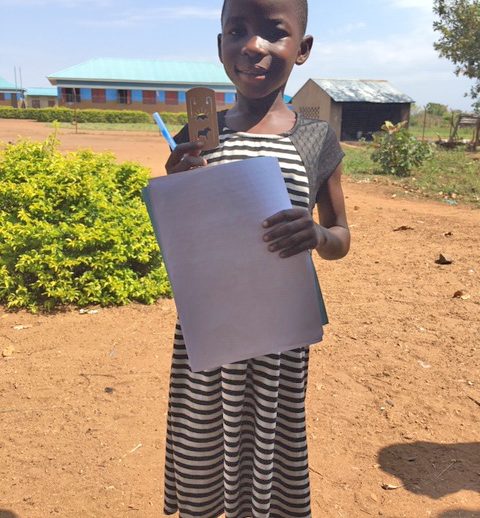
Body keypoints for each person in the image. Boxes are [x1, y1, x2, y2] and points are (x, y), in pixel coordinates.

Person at [163, 0, 350, 516]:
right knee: (203, 430)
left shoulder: (316, 139)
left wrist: (314, 234)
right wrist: (179, 190)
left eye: (274, 32)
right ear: (220, 44)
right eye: (237, 30)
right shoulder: (197, 136)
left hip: (280, 333)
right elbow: (181, 239)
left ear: (303, 49)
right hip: (210, 325)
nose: (253, 46)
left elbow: (341, 236)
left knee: (271, 440)